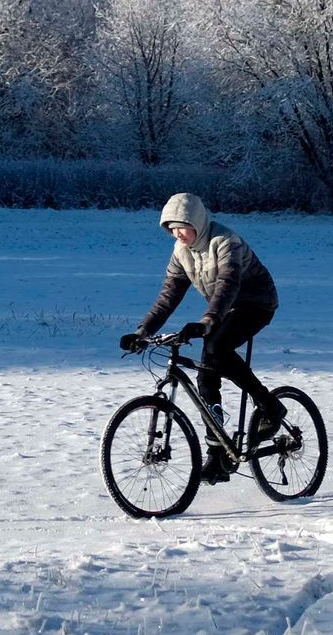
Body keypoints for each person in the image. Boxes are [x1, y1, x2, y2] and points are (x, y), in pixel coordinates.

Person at [118, 192, 282, 482]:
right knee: (207, 370)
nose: (176, 233)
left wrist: (207, 321)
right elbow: (168, 296)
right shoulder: (180, 251)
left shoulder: (224, 242)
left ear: (197, 222)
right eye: (171, 228)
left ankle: (269, 405)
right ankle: (217, 455)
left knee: (217, 346)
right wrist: (142, 332)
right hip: (225, 309)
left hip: (256, 303)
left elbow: (227, 285)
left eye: (182, 226)